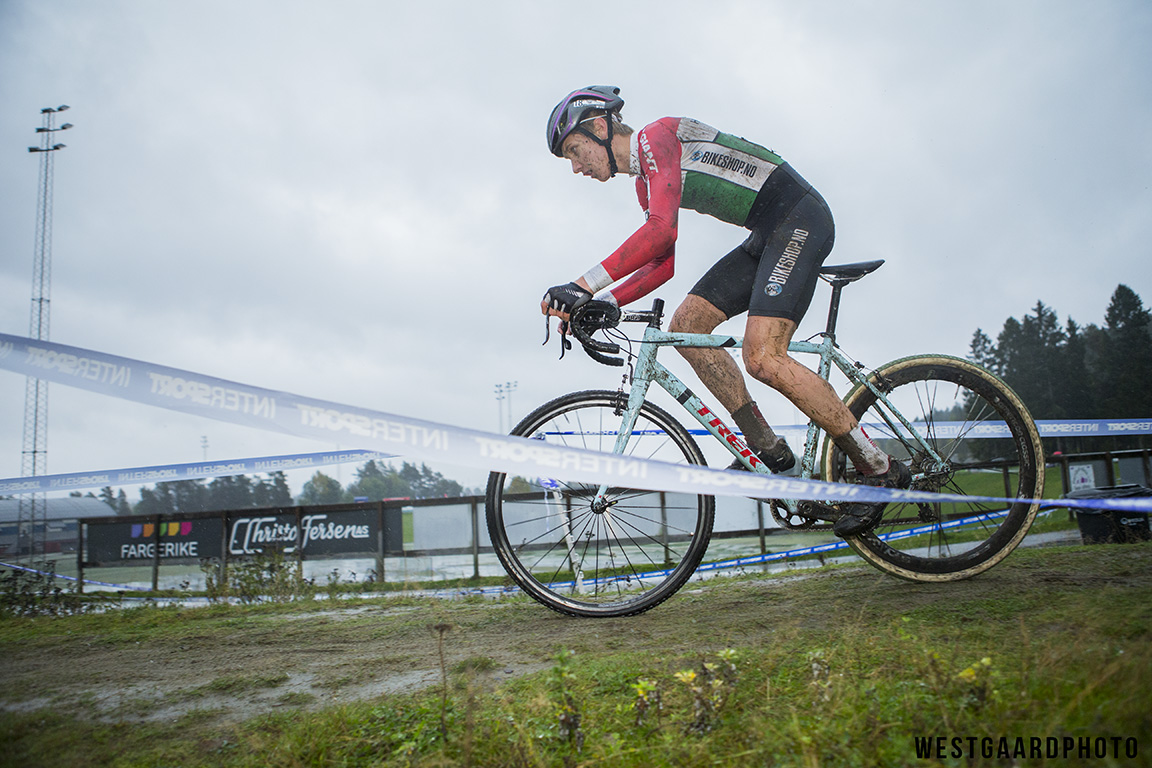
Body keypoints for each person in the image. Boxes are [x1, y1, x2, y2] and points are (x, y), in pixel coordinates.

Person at [540, 86, 911, 538]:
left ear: (599, 127)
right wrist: (608, 302)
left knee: (764, 357)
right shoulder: (644, 182)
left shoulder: (656, 138)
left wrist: (582, 286)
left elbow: (660, 233)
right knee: (687, 328)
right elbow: (663, 262)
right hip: (767, 234)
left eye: (574, 151)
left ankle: (879, 468)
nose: (576, 167)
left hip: (799, 219)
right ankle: (769, 451)